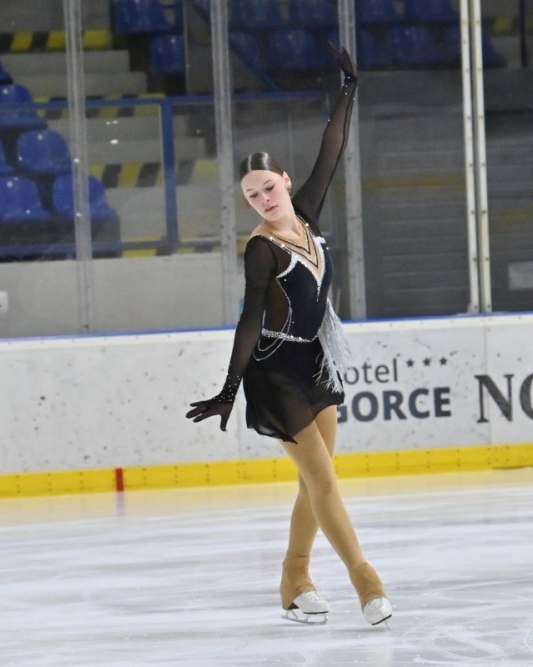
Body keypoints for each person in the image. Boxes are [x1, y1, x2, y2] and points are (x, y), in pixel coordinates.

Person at [185, 44, 391, 626]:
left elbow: (332, 147)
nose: (263, 199)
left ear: (285, 181)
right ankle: (367, 582)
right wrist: (230, 390)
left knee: (313, 483)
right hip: (274, 374)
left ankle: (294, 577)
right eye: (252, 195)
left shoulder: (306, 216)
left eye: (269, 188)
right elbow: (250, 319)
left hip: (315, 363)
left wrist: (349, 88)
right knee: (322, 482)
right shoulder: (260, 249)